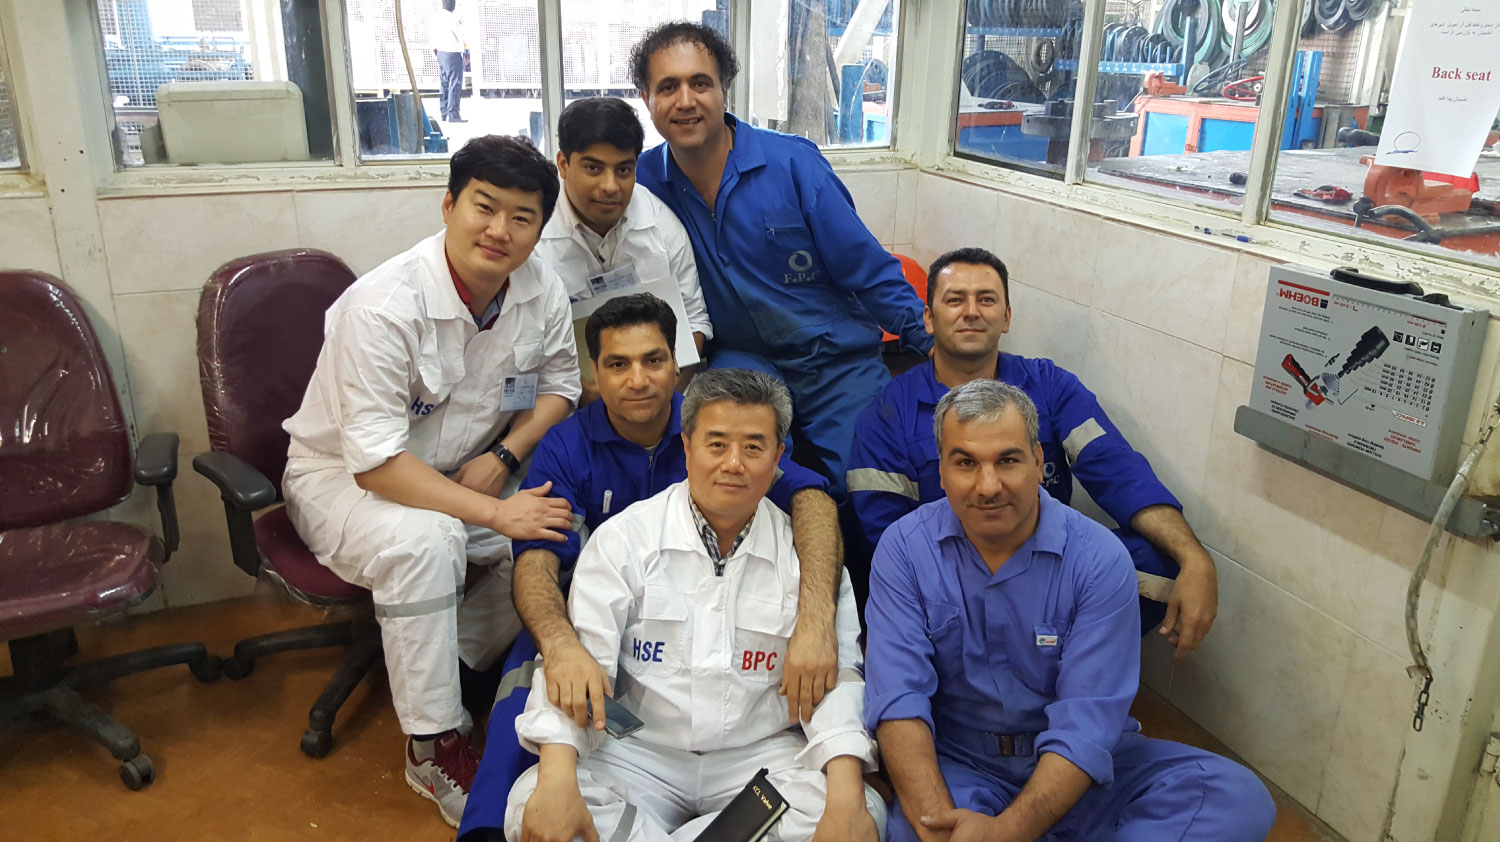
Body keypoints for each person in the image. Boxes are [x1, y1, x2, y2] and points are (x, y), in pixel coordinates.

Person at [456, 294, 847, 841]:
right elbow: (537, 559)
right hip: (591, 616)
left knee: (848, 809)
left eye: (654, 360)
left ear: (677, 363)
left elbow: (811, 500)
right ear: (595, 374)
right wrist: (560, 641)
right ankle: (487, 826)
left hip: (730, 649)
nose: (638, 380)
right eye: (618, 364)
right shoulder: (568, 444)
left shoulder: (718, 422)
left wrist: (815, 617)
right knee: (536, 680)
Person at [282, 135, 579, 828]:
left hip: (472, 468)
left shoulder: (539, 288)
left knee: (562, 531)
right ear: (448, 205)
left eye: (523, 217)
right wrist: (491, 511)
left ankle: (454, 665)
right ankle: (432, 743)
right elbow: (376, 463)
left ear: (541, 228)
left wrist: (505, 455)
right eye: (484, 207)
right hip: (343, 481)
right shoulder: (382, 306)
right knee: (427, 540)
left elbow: (561, 384)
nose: (500, 231)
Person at [865, 379, 1275, 842]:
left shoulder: (1099, 559)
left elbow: (1086, 727)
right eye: (965, 463)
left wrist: (1007, 832)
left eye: (1008, 460)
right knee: (912, 830)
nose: (988, 485)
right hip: (964, 766)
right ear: (941, 471)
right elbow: (898, 701)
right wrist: (938, 824)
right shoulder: (904, 550)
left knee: (1236, 798)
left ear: (1038, 461)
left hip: (1086, 769)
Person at [505, 368, 884, 842]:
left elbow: (840, 682)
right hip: (636, 751)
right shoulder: (624, 540)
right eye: (717, 444)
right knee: (533, 802)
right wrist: (558, 781)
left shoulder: (809, 560)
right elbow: (575, 673)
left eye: (753, 448)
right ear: (686, 448)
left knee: (856, 809)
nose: (734, 464)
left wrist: (846, 802)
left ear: (777, 459)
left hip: (761, 757)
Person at [847, 247, 1218, 655]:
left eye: (986, 299)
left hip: (1047, 572)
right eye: (955, 300)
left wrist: (1194, 558)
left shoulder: (1050, 386)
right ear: (929, 319)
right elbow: (888, 540)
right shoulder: (888, 415)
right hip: (952, 588)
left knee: (1159, 560)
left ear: (1006, 317)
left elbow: (1120, 472)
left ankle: (1058, 663)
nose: (971, 312)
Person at [630, 21, 932, 498]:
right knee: (746, 482)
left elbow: (869, 271)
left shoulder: (793, 165)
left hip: (835, 359)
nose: (685, 100)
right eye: (668, 87)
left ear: (724, 90)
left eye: (700, 83)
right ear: (646, 99)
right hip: (741, 360)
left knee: (876, 482)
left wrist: (934, 343)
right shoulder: (641, 183)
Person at [534, 96, 712, 398]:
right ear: (563, 164)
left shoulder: (662, 225)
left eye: (623, 170)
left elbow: (694, 322)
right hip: (570, 397)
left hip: (660, 394)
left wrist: (659, 404)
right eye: (593, 168)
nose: (610, 186)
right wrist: (591, 405)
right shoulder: (534, 234)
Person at [432, 0, 466, 123]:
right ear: (453, 5)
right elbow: (460, 36)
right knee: (454, 83)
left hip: (440, 52)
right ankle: (453, 114)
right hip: (453, 52)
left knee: (444, 83)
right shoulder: (452, 18)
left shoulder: (436, 17)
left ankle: (444, 112)